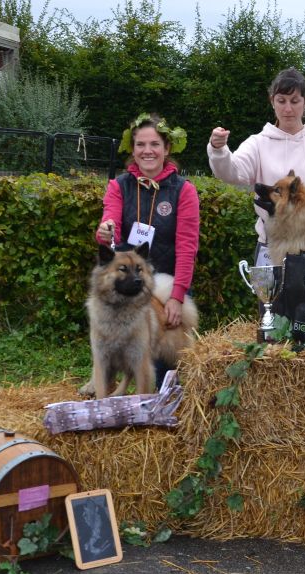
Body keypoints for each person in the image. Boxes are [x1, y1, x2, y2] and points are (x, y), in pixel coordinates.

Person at [207, 68, 305, 265]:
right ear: (272, 101)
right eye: (281, 101)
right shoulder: (257, 143)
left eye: (295, 101)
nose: (288, 109)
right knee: (269, 297)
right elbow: (231, 173)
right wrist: (218, 150)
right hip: (271, 245)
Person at [95, 113, 201, 381]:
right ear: (133, 149)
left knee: (168, 373)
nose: (147, 151)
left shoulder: (183, 190)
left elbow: (187, 247)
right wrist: (105, 232)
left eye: (154, 144)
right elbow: (112, 226)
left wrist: (177, 297)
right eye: (141, 144)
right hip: (132, 286)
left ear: (167, 148)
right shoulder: (119, 186)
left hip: (168, 289)